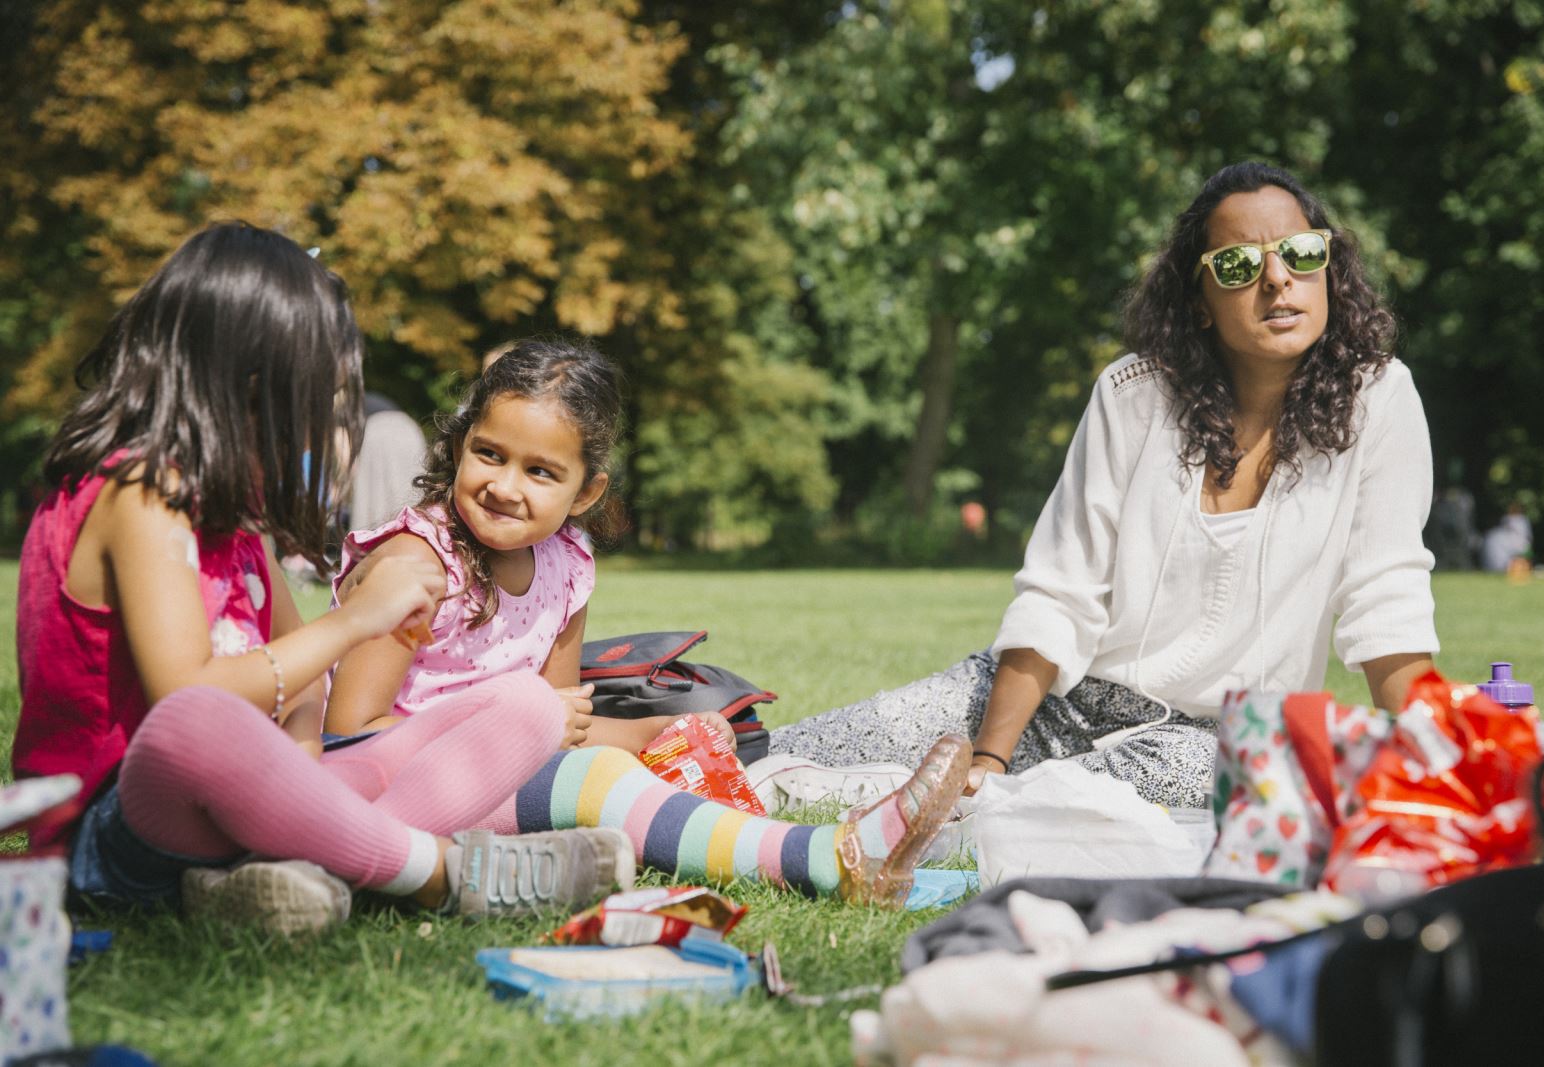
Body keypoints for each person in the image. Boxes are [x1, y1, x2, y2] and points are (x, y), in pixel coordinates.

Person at [10, 222, 632, 935]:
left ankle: (297, 870)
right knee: (199, 720)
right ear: (240, 385)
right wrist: (357, 619)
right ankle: (437, 872)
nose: (318, 430)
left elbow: (302, 679)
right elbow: (185, 700)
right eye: (314, 402)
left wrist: (304, 771)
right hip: (112, 828)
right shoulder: (142, 493)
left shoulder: (231, 521)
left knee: (528, 704)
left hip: (243, 811)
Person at [768, 161, 1439, 810]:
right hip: (1059, 699)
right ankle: (681, 766)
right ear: (1200, 302)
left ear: (1328, 265)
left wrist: (1442, 771)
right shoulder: (1133, 397)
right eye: (1237, 266)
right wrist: (988, 759)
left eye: (1299, 252)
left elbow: (1386, 602)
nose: (1276, 279)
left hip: (1211, 744)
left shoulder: (1378, 400)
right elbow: (1060, 592)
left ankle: (954, 813)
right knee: (815, 748)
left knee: (1047, 807)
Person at [325, 338, 971, 905]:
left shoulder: (566, 565)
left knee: (619, 770)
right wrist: (494, 729)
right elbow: (348, 733)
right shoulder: (417, 562)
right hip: (402, 791)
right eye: (488, 453)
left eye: (540, 471)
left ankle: (817, 850)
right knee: (598, 781)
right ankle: (830, 858)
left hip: (500, 779)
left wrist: (653, 730)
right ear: (460, 444)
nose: (504, 484)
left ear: (586, 492)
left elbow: (560, 725)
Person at [347, 391, 427, 532]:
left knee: (372, 503)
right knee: (408, 494)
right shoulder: (359, 400)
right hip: (409, 430)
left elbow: (344, 456)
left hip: (380, 433)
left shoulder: (337, 409)